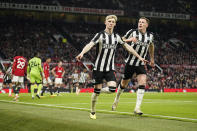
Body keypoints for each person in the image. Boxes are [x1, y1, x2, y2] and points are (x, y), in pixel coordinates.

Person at [76, 15, 147, 119]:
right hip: (98, 68)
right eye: (109, 21)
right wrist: (82, 53)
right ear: (105, 22)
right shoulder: (100, 35)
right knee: (96, 95)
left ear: (115, 24)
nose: (110, 23)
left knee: (112, 88)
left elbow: (128, 47)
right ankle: (92, 111)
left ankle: (97, 90)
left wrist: (139, 57)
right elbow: (90, 44)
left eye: (112, 21)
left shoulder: (116, 37)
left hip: (109, 68)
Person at [112, 17, 155, 115]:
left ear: (146, 25)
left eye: (142, 22)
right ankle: (116, 99)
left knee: (142, 82)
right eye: (139, 22)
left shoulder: (150, 36)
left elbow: (151, 46)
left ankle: (137, 108)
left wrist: (152, 59)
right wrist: (129, 39)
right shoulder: (132, 32)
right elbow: (121, 40)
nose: (140, 23)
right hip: (130, 63)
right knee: (123, 84)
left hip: (141, 63)